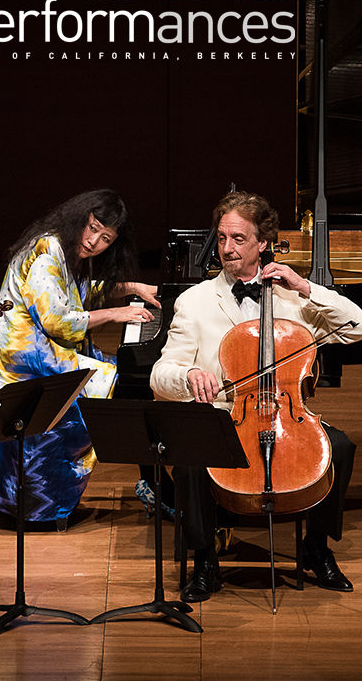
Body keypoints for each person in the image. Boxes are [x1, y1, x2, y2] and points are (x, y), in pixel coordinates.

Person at [150, 190, 362, 602]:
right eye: (223, 238)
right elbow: (161, 374)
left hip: (287, 416)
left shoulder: (291, 297)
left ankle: (316, 548)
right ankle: (204, 559)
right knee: (193, 459)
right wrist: (190, 374)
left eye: (239, 239)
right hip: (224, 416)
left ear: (263, 244)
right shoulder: (195, 302)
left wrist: (305, 286)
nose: (227, 249)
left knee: (340, 447)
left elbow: (357, 325)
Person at [0, 189, 158, 524]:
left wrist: (133, 287)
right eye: (92, 228)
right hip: (26, 357)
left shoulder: (64, 251)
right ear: (80, 218)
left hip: (45, 351)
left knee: (124, 379)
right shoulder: (47, 251)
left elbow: (77, 294)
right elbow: (58, 320)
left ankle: (151, 482)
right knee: (122, 383)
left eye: (105, 237)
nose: (94, 241)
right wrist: (114, 314)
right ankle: (152, 484)